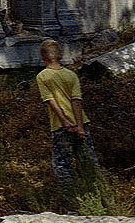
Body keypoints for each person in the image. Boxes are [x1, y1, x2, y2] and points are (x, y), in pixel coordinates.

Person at [36, 38, 98, 185]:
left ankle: (69, 194)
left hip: (60, 126)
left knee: (62, 164)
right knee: (88, 160)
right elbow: (76, 100)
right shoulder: (71, 75)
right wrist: (80, 126)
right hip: (81, 123)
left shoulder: (42, 76)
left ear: (42, 57)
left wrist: (65, 122)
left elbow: (51, 101)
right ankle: (95, 189)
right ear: (61, 56)